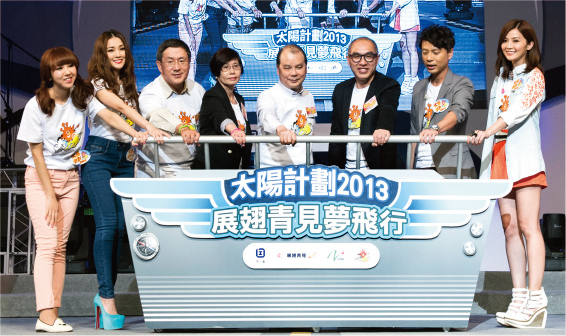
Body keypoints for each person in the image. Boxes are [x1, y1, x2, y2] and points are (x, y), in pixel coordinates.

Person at [17, 47, 146, 332]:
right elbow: (36, 154)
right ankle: (46, 316)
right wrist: (50, 195)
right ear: (49, 74)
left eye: (71, 66)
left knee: (60, 248)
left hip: (71, 177)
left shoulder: (82, 96)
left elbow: (110, 116)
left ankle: (53, 312)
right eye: (60, 68)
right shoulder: (36, 105)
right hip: (42, 179)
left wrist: (134, 132)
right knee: (48, 246)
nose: (68, 72)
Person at [83, 30, 167, 329]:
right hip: (99, 157)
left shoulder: (129, 86)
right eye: (110, 50)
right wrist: (143, 129)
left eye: (121, 48)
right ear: (101, 55)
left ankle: (104, 295)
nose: (117, 54)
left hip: (124, 158)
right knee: (106, 225)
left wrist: (143, 133)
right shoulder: (95, 85)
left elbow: (130, 110)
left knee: (120, 229)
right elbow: (116, 113)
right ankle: (106, 299)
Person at [468, 19, 547, 329]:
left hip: (524, 160)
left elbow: (515, 113)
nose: (509, 45)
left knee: (529, 226)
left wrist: (487, 131)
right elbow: (495, 112)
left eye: (516, 40)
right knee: (510, 228)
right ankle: (518, 296)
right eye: (505, 40)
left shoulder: (535, 77)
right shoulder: (501, 78)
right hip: (500, 159)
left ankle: (536, 296)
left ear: (529, 44)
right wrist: (489, 139)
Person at [409, 25, 476, 178]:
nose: (429, 58)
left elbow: (458, 112)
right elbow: (414, 132)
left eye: (435, 52)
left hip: (450, 168)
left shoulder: (461, 83)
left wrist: (435, 128)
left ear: (450, 53)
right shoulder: (419, 87)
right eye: (425, 53)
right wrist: (410, 171)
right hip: (420, 168)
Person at [136, 39, 205, 178]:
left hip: (191, 170)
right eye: (170, 62)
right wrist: (183, 129)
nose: (177, 67)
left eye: (182, 61)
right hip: (154, 171)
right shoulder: (150, 92)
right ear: (159, 66)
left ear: (189, 63)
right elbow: (158, 115)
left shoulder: (198, 90)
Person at [329, 37, 400, 169]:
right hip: (345, 169)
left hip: (376, 169)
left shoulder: (388, 85)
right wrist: (333, 170)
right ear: (348, 60)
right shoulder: (341, 89)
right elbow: (336, 133)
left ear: (377, 59)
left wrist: (384, 128)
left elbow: (388, 108)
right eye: (356, 56)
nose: (363, 62)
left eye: (368, 56)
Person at [256, 44, 316, 167]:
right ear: (278, 70)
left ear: (306, 68)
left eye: (299, 67)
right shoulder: (267, 96)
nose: (294, 73)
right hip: (273, 172)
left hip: (306, 170)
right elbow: (266, 115)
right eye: (287, 68)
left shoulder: (308, 96)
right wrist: (281, 129)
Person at [193, 48, 252, 169]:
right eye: (226, 67)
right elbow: (220, 117)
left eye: (236, 66)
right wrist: (234, 131)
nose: (232, 72)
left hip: (237, 165)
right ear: (216, 72)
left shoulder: (239, 98)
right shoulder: (212, 95)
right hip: (214, 167)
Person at [385, 0, 420, 94]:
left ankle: (414, 79)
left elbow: (402, 1)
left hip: (410, 18)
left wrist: (390, 10)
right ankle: (407, 77)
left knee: (411, 49)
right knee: (403, 48)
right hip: (400, 18)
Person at [178, 0, 208, 80]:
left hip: (198, 26)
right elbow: (185, 17)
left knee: (193, 57)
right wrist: (191, 37)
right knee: (190, 56)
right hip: (186, 27)